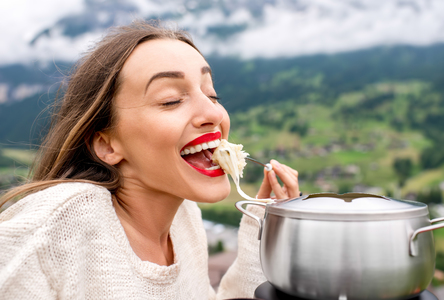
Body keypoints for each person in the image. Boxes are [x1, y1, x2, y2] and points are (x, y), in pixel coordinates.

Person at [0, 20, 300, 299]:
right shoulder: (51, 230)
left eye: (212, 95)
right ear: (106, 144)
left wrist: (264, 230)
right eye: (171, 100)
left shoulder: (185, 218)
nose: (214, 114)